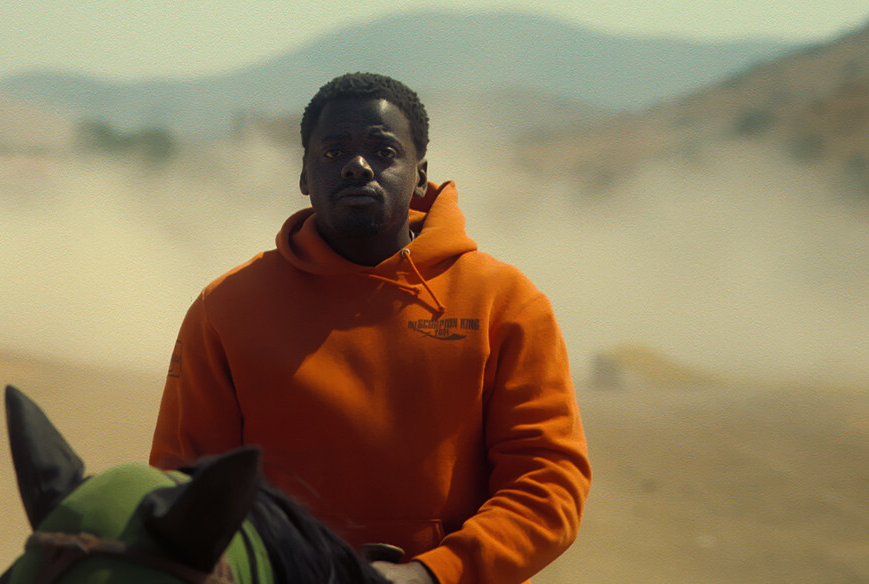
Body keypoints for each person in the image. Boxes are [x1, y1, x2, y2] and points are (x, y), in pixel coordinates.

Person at [150, 72, 590, 584]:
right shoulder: (226, 308)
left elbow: (549, 481)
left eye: (383, 151)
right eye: (333, 152)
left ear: (420, 176)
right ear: (304, 175)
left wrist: (428, 575)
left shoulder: (504, 301)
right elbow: (186, 488)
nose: (357, 166)